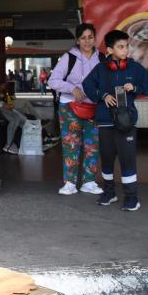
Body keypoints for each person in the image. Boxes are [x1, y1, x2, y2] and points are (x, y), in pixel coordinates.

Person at [83, 29, 148, 212]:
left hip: (126, 123)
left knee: (127, 160)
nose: (126, 50)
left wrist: (136, 87)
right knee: (107, 159)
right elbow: (87, 85)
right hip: (105, 122)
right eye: (121, 47)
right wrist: (103, 95)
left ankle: (132, 197)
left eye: (127, 46)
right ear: (109, 50)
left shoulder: (135, 68)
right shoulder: (100, 69)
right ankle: (109, 193)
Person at [48, 23, 103, 196]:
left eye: (90, 37)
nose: (87, 41)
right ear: (77, 40)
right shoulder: (69, 58)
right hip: (69, 107)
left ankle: (89, 182)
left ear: (95, 39)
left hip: (93, 107)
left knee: (92, 145)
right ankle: (70, 183)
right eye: (83, 38)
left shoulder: (102, 58)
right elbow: (52, 81)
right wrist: (72, 88)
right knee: (71, 145)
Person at [0, 81, 26, 155]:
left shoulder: (2, 91)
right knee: (14, 120)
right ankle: (9, 144)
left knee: (20, 119)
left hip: (3, 107)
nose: (4, 86)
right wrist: (3, 105)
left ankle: (25, 141)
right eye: (3, 84)